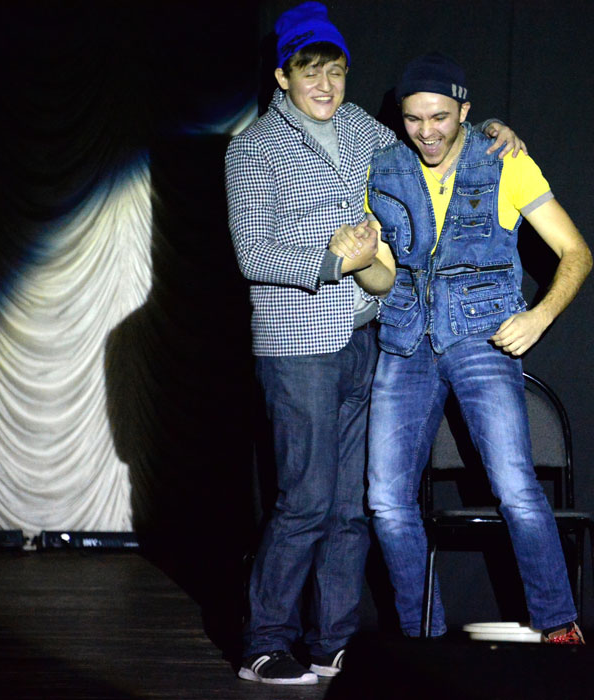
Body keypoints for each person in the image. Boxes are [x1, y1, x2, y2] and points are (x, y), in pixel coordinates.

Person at [225, 4, 525, 685]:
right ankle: (264, 643)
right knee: (305, 500)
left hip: (369, 336)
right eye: (309, 71)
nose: (325, 85)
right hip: (299, 346)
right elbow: (252, 253)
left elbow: (434, 141)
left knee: (352, 506)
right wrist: (335, 259)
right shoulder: (253, 148)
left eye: (334, 71)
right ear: (282, 77)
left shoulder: (363, 127)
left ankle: (331, 641)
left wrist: (491, 131)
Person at [355, 52, 593, 645]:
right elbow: (384, 277)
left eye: (439, 116)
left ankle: (559, 626)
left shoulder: (504, 161)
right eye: (414, 119)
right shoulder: (384, 169)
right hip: (405, 339)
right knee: (386, 500)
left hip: (482, 334)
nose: (427, 131)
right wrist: (359, 262)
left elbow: (577, 252)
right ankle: (425, 640)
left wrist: (539, 317)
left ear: (465, 110)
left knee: (515, 486)